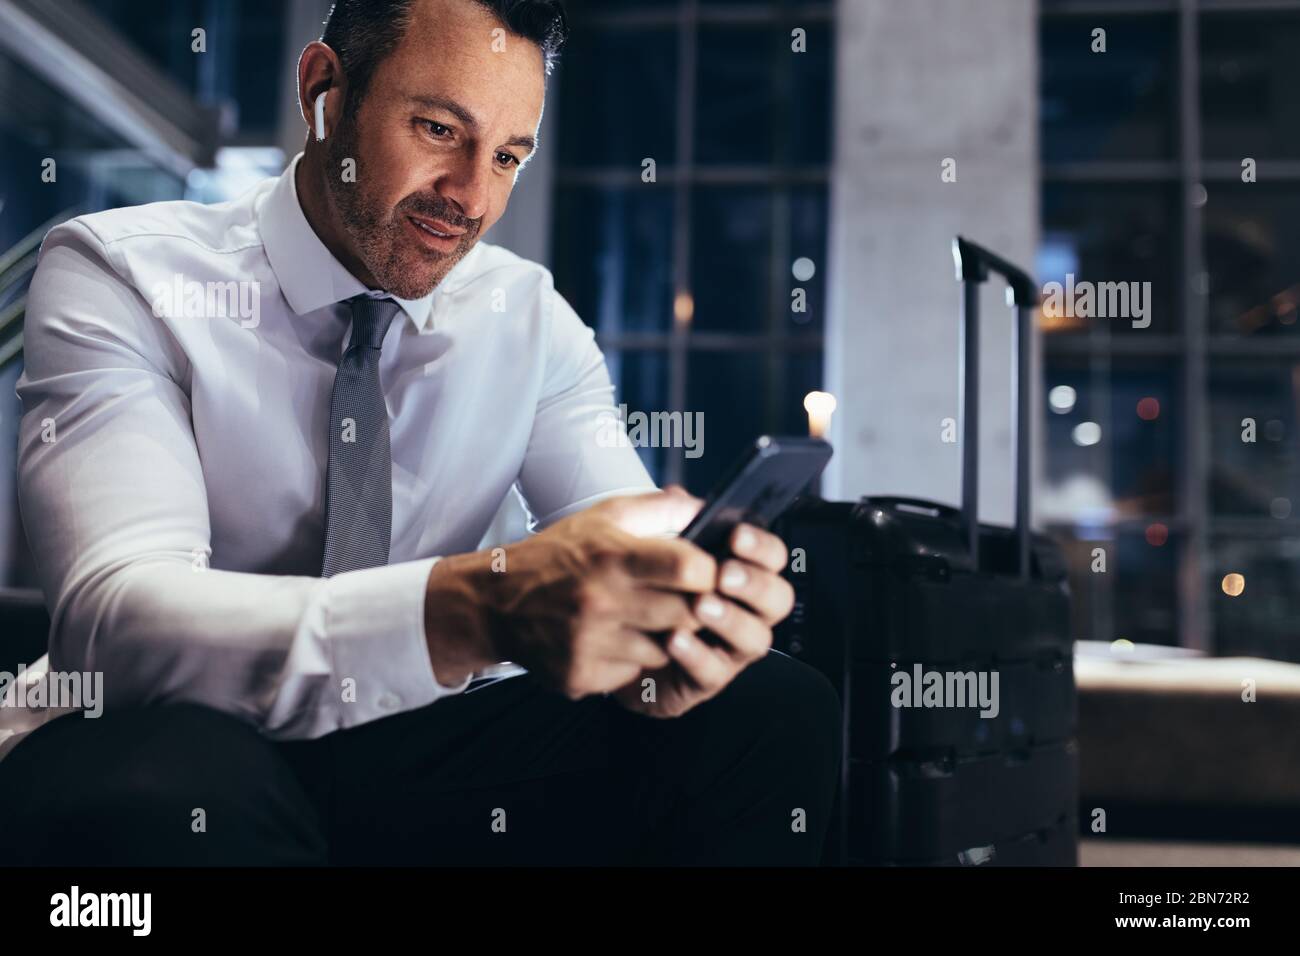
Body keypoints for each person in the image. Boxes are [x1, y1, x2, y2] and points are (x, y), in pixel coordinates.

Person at [0, 0, 840, 866]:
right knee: (168, 797)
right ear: (325, 89)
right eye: (440, 129)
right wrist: (478, 608)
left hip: (408, 744)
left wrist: (671, 633)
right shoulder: (123, 271)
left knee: (769, 708)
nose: (472, 197)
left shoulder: (529, 317)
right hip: (171, 731)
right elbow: (120, 623)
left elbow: (617, 536)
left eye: (509, 157)